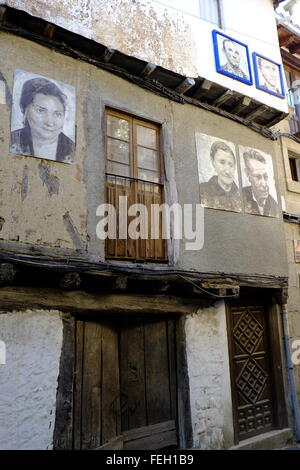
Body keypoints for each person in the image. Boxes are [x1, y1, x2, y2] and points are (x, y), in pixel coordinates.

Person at [10, 77, 74, 162]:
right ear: (24, 109)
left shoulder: (72, 149)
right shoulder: (11, 140)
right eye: (40, 110)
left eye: (57, 114)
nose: (50, 123)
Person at [200, 140, 242, 212]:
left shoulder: (242, 196)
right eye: (222, 162)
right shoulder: (203, 191)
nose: (227, 171)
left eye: (231, 164)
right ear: (213, 163)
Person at [242, 149, 278, 217]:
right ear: (247, 174)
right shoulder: (239, 198)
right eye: (258, 177)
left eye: (265, 177)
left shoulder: (274, 205)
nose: (264, 184)